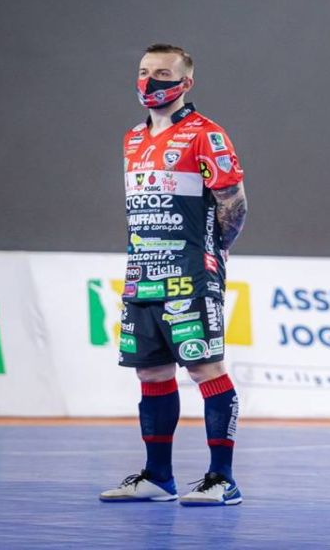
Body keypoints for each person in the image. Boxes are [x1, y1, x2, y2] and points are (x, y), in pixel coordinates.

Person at [100, 43, 248, 506]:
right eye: (144, 71)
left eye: (162, 73)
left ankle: (222, 479)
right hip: (141, 273)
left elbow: (234, 204)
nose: (150, 81)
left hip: (190, 273)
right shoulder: (132, 138)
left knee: (205, 368)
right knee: (151, 371)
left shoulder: (207, 135)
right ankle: (157, 477)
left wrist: (214, 250)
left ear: (186, 82)